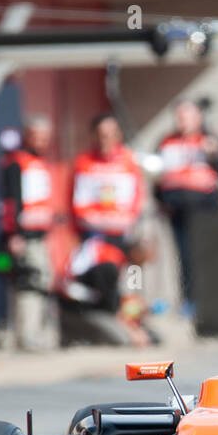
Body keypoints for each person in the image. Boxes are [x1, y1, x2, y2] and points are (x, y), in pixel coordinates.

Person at [154, 99, 218, 312]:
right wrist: (161, 201)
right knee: (185, 256)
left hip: (205, 208)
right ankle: (189, 301)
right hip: (177, 210)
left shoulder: (209, 140)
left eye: (186, 116)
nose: (182, 121)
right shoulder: (167, 142)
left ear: (198, 118)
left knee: (205, 255)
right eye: (179, 116)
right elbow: (156, 176)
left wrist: (214, 154)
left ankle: (211, 300)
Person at [69, 113, 145, 316]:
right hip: (96, 237)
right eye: (102, 134)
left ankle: (133, 320)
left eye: (112, 134)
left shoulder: (129, 160)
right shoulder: (84, 162)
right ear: (94, 135)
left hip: (124, 235)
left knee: (132, 282)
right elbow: (78, 205)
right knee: (99, 276)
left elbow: (137, 200)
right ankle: (106, 316)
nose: (107, 139)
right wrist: (99, 221)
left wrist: (126, 221)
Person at [1, 116, 57, 350]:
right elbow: (11, 201)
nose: (41, 142)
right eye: (37, 136)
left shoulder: (39, 162)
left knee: (41, 281)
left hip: (40, 235)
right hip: (24, 236)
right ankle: (26, 336)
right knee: (29, 282)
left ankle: (35, 333)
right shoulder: (16, 162)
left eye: (45, 137)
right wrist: (15, 234)